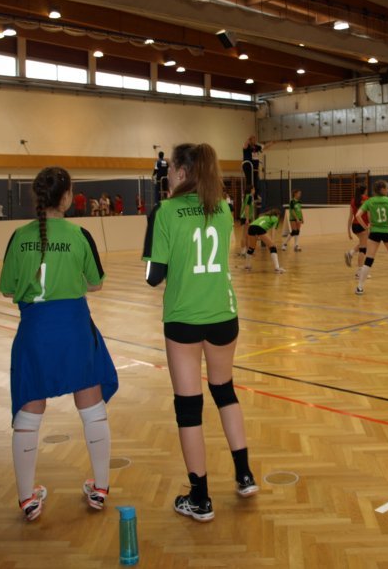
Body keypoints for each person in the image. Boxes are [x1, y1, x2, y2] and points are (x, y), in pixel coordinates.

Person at [142, 142, 259, 522]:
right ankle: (244, 474)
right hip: (224, 313)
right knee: (225, 391)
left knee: (188, 407)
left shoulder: (165, 212)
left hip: (184, 318)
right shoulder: (222, 208)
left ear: (180, 172)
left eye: (170, 171)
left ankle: (200, 497)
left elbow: (153, 276)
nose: (167, 177)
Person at [0, 166, 118, 522]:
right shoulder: (80, 234)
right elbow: (96, 283)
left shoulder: (19, 237)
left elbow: (8, 289)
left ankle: (26, 497)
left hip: (35, 331)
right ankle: (100, 487)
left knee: (29, 412)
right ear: (67, 197)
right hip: (74, 329)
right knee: (91, 406)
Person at [245, 209, 286, 273]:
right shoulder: (275, 218)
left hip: (251, 227)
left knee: (251, 248)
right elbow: (273, 230)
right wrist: (273, 241)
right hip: (259, 228)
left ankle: (247, 265)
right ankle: (277, 268)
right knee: (273, 247)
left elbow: (257, 225)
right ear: (277, 215)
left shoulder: (263, 217)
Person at [345, 185, 369, 270]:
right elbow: (369, 214)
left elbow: (350, 217)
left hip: (354, 226)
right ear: (365, 191)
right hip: (362, 225)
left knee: (364, 243)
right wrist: (369, 226)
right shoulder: (366, 199)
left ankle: (350, 253)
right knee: (363, 249)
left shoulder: (353, 200)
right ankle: (360, 272)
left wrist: (348, 231)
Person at [237, 186, 257, 257]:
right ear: (251, 190)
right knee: (244, 234)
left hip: (247, 217)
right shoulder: (249, 196)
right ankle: (243, 251)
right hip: (245, 217)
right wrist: (247, 218)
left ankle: (248, 251)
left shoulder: (248, 196)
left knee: (248, 235)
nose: (254, 190)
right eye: (254, 189)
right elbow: (247, 207)